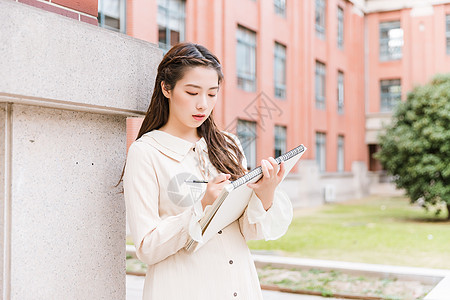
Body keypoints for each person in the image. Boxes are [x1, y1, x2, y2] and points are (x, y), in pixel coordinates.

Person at [123, 42, 293, 300]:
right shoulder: (146, 152)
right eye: (192, 92)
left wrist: (265, 193)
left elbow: (249, 232)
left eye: (212, 94)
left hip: (241, 287)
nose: (203, 104)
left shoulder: (228, 145)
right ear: (166, 88)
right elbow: (147, 247)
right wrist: (201, 206)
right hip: (183, 289)